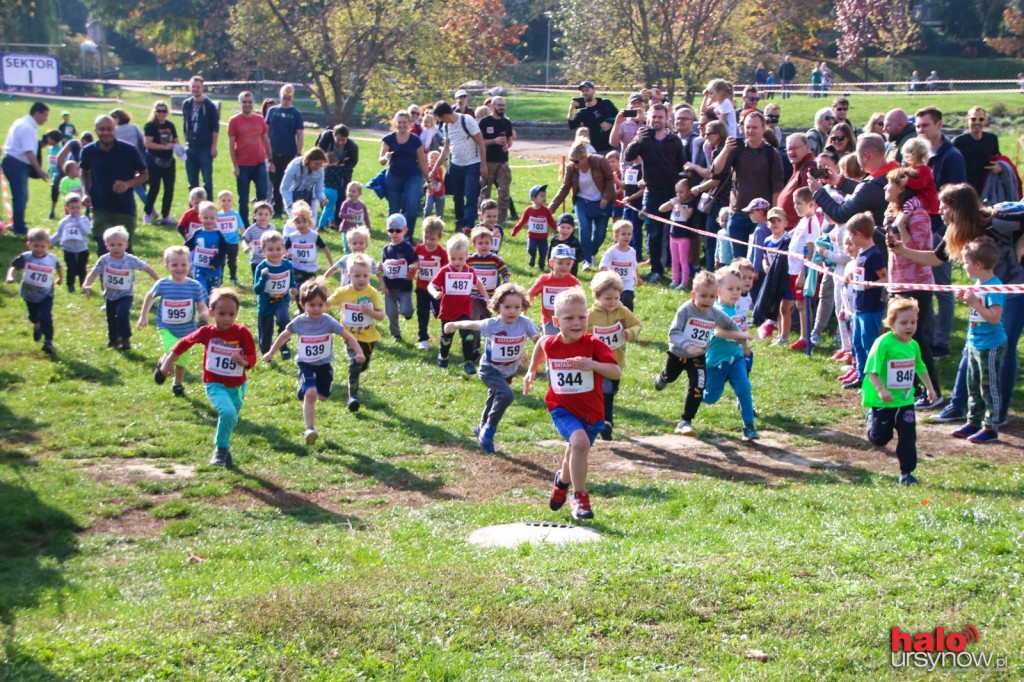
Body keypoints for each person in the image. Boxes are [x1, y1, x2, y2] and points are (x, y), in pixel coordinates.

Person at [891, 183, 1023, 428]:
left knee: (1005, 350)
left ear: (957, 208)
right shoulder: (957, 230)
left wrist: (1022, 242)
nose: (940, 211)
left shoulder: (1000, 219)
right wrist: (902, 251)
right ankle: (959, 406)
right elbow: (935, 258)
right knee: (970, 347)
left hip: (1014, 293)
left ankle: (999, 413)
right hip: (982, 292)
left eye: (944, 207)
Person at [524, 288, 620, 520]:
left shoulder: (594, 344)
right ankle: (580, 497)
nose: (577, 323)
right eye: (569, 318)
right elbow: (541, 344)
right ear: (556, 321)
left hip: (592, 412)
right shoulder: (552, 343)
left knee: (575, 449)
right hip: (561, 407)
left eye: (581, 317)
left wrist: (592, 365)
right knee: (579, 443)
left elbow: (615, 372)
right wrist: (531, 370)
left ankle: (562, 481)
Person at [160, 287, 257, 467]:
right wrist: (167, 363)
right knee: (227, 413)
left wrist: (245, 362)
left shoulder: (242, 332)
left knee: (231, 418)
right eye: (221, 313)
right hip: (215, 383)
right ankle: (220, 450)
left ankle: (224, 451)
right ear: (212, 313)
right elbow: (183, 343)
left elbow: (252, 356)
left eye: (231, 314)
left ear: (237, 313)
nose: (226, 318)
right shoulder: (207, 333)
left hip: (237, 385)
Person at [264, 277, 364, 444]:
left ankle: (305, 390)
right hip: (305, 364)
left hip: (324, 365)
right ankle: (310, 429)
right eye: (312, 305)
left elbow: (348, 337)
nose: (317, 309)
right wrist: (271, 352)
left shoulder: (328, 321)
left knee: (323, 396)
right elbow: (284, 336)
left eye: (320, 305)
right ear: (303, 305)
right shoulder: (299, 322)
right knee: (311, 394)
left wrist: (359, 353)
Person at [446, 283, 541, 452]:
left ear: (523, 307)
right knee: (506, 395)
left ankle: (480, 428)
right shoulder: (493, 324)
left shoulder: (524, 322)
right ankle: (489, 430)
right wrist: (454, 324)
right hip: (489, 369)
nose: (512, 311)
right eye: (507, 307)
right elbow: (473, 324)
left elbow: (538, 339)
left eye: (517, 307)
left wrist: (547, 345)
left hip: (508, 371)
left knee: (494, 398)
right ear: (498, 307)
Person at [653, 270, 743, 436]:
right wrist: (687, 346)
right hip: (678, 353)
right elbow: (673, 333)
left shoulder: (714, 312)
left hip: (698, 357)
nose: (707, 301)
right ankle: (663, 377)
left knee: (698, 385)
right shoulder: (684, 311)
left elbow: (730, 324)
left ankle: (685, 421)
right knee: (670, 377)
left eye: (711, 297)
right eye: (703, 296)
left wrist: (740, 337)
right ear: (694, 294)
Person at [863, 297, 937, 486]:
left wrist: (930, 388)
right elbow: (870, 370)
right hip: (884, 401)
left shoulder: (913, 345)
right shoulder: (883, 344)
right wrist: (881, 390)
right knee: (880, 439)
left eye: (913, 322)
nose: (909, 326)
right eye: (903, 323)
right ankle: (871, 418)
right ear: (891, 323)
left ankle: (906, 473)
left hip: (905, 401)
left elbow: (920, 367)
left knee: (908, 438)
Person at [883, 166, 940, 408]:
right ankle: (908, 388)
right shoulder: (893, 212)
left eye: (890, 183)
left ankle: (934, 392)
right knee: (898, 340)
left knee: (917, 341)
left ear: (903, 187)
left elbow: (923, 250)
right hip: (898, 283)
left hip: (917, 285)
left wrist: (902, 227)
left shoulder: (918, 215)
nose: (886, 187)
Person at [915, 106, 966, 359]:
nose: (921, 130)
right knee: (926, 287)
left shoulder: (952, 156)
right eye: (918, 126)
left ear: (939, 125)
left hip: (941, 230)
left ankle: (942, 343)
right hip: (922, 230)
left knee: (943, 288)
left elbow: (957, 198)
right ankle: (926, 338)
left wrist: (943, 231)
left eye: (925, 125)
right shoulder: (921, 156)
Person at [698, 112, 783, 260]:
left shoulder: (772, 154)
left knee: (758, 262)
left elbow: (776, 187)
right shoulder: (736, 148)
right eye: (747, 127)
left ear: (763, 129)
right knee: (738, 261)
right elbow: (715, 170)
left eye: (754, 127)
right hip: (737, 214)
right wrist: (726, 149)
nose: (750, 131)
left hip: (761, 217)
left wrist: (772, 216)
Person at [949, 237, 1007, 444]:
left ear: (979, 265)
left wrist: (974, 301)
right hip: (974, 341)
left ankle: (990, 426)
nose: (963, 266)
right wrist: (968, 300)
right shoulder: (978, 283)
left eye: (966, 263)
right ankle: (973, 420)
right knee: (972, 383)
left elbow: (994, 317)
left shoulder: (994, 287)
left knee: (988, 386)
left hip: (990, 344)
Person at [623, 104, 686, 282]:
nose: (657, 120)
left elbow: (682, 163)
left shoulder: (674, 140)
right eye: (654, 117)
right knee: (654, 232)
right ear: (649, 119)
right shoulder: (644, 138)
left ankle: (677, 269)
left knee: (674, 232)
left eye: (660, 117)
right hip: (652, 192)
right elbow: (628, 156)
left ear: (666, 119)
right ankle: (656, 269)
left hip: (672, 192)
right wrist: (637, 140)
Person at [138, 245, 210, 397]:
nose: (179, 268)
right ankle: (165, 363)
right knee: (172, 349)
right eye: (174, 265)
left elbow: (202, 305)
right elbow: (150, 296)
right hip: (166, 327)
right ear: (167, 266)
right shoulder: (163, 284)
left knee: (182, 361)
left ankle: (178, 384)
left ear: (190, 265)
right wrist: (143, 316)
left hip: (188, 331)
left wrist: (204, 314)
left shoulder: (194, 286)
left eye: (183, 264)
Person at [702, 267, 759, 440]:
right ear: (718, 291)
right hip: (716, 362)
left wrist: (744, 345)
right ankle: (694, 395)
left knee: (744, 388)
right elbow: (719, 332)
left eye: (738, 289)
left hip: (736, 359)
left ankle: (749, 426)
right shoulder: (716, 311)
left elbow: (738, 328)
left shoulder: (735, 310)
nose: (735, 293)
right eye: (730, 289)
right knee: (711, 397)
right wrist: (741, 336)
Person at [80, 115, 149, 255]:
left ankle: (126, 277)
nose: (105, 132)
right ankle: (105, 277)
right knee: (103, 250)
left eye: (109, 129)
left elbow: (145, 174)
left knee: (124, 252)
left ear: (115, 129)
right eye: (101, 129)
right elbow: (84, 171)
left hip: (124, 208)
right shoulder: (89, 151)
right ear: (95, 130)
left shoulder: (129, 150)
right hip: (100, 207)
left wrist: (127, 184)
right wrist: (85, 193)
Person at [324, 254, 385, 412]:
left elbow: (381, 316)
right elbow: (325, 305)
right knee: (355, 363)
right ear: (348, 276)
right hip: (350, 337)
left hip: (369, 337)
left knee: (362, 365)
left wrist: (370, 311)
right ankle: (353, 397)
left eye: (365, 276)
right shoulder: (342, 293)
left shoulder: (371, 293)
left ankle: (356, 375)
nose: (361, 279)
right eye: (357, 276)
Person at [83, 225, 160, 350]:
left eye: (120, 245)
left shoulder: (130, 260)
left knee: (122, 314)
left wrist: (158, 281)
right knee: (111, 317)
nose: (116, 248)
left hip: (126, 294)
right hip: (110, 295)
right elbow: (94, 272)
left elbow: (147, 268)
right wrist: (87, 284)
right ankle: (113, 338)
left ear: (126, 245)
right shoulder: (104, 260)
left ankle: (125, 338)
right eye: (112, 245)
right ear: (106, 246)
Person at [588, 271, 642, 440]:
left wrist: (629, 333)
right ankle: (606, 423)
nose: (612, 302)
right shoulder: (589, 315)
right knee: (606, 391)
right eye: (607, 298)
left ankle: (600, 417)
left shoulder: (622, 311)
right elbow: (581, 332)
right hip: (597, 362)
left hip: (616, 361)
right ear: (597, 296)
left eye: (616, 298)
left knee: (612, 389)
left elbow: (637, 325)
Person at [549, 140, 617, 269]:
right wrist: (550, 209)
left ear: (585, 158)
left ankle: (591, 252)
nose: (574, 164)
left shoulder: (599, 161)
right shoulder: (572, 168)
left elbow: (609, 178)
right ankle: (586, 259)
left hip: (601, 201)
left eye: (577, 161)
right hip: (582, 201)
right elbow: (565, 188)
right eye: (571, 160)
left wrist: (605, 196)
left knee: (600, 233)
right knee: (584, 227)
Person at [429, 232, 491, 370]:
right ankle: (443, 356)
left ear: (467, 256)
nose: (457, 262)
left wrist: (487, 298)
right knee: (447, 338)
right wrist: (435, 293)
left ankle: (468, 361)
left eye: (460, 259)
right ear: (448, 257)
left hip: (464, 311)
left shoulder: (470, 271)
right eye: (453, 259)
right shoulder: (445, 270)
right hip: (448, 312)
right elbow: (431, 285)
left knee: (468, 335)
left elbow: (479, 283)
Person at [810, 133, 897, 227]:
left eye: (857, 155)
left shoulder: (871, 187)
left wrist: (818, 192)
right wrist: (840, 181)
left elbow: (840, 215)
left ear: (865, 156)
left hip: (878, 239)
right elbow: (866, 194)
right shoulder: (896, 173)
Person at [843, 213, 888, 389]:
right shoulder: (861, 253)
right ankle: (862, 376)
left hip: (871, 307)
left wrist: (872, 284)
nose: (850, 240)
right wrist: (849, 275)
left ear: (859, 234)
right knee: (858, 343)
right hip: (859, 306)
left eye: (852, 236)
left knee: (869, 343)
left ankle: (875, 379)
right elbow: (859, 272)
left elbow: (886, 279)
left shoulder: (874, 254)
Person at [431, 101, 489, 232]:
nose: (441, 121)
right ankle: (459, 222)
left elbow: (480, 142)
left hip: (472, 164)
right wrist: (435, 169)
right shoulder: (446, 127)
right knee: (457, 196)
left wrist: (483, 165)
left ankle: (469, 224)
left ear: (445, 114)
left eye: (441, 118)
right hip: (456, 165)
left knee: (470, 194)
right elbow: (446, 148)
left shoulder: (466, 120)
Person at [5, 227, 62, 354]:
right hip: (29, 293)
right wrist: (10, 276)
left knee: (45, 316)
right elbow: (14, 267)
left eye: (42, 246)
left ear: (48, 245)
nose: (39, 249)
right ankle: (36, 325)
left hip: (46, 294)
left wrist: (60, 279)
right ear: (29, 245)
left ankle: (48, 341)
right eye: (36, 246)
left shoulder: (52, 258)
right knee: (33, 316)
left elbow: (58, 267)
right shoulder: (26, 257)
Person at [380, 110, 430, 238]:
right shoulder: (389, 139)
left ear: (410, 124)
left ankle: (407, 237)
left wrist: (429, 180)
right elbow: (381, 161)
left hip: (413, 176)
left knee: (412, 206)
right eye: (399, 122)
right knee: (394, 209)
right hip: (394, 175)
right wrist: (386, 157)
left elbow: (422, 161)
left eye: (405, 122)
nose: (402, 125)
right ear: (395, 123)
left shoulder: (415, 140)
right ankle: (394, 236)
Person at [2, 102, 50, 235]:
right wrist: (39, 171)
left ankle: (18, 223)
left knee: (20, 196)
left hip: (13, 161)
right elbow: (29, 152)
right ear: (37, 113)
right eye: (45, 115)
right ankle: (19, 227)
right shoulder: (27, 127)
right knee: (21, 196)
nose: (46, 119)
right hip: (17, 164)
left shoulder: (22, 122)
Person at [227, 91, 273, 226]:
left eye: (250, 102)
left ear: (253, 103)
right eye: (244, 102)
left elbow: (266, 140)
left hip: (259, 163)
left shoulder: (260, 119)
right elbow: (231, 144)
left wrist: (270, 160)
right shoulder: (234, 121)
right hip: (242, 164)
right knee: (243, 198)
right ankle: (244, 225)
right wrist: (235, 165)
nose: (247, 104)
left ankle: (259, 223)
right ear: (240, 103)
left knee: (262, 195)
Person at [253, 229, 298, 357]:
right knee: (266, 332)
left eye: (278, 249)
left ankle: (283, 344)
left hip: (282, 301)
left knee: (284, 320)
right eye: (270, 249)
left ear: (284, 249)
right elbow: (257, 290)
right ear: (263, 250)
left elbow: (291, 281)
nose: (275, 253)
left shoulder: (287, 265)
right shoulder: (261, 267)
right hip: (265, 304)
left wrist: (294, 288)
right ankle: (266, 354)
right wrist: (263, 277)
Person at [379, 213, 419, 343]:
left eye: (398, 230)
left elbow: (416, 262)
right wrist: (381, 270)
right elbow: (384, 266)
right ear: (387, 231)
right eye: (391, 230)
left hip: (404, 286)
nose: (394, 233)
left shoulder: (408, 248)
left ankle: (408, 313)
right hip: (390, 286)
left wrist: (413, 266)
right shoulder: (386, 249)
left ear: (405, 231)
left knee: (406, 310)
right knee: (391, 313)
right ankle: (396, 334)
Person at [266, 84, 304, 218]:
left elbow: (299, 135)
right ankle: (277, 210)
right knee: (275, 182)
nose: (286, 97)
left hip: (289, 153)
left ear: (293, 97)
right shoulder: (272, 111)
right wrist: (267, 153)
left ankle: (291, 208)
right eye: (285, 94)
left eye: (289, 95)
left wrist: (298, 154)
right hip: (273, 152)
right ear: (280, 94)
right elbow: (266, 132)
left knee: (288, 183)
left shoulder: (296, 114)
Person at [529, 244, 581, 336]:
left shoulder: (573, 281)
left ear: (572, 263)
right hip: (549, 320)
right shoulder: (544, 280)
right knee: (552, 342)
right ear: (551, 263)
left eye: (568, 263)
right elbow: (531, 293)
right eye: (560, 263)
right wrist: (525, 308)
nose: (564, 266)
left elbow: (580, 300)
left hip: (568, 319)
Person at [181, 76, 219, 200]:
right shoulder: (186, 104)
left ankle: (209, 208)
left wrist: (213, 147)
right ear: (189, 87)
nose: (195, 89)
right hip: (191, 146)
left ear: (203, 87)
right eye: (193, 87)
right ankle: (193, 210)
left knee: (207, 182)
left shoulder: (209, 105)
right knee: (192, 182)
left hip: (205, 148)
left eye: (198, 87)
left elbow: (215, 128)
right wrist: (185, 143)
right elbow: (185, 124)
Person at [413, 217, 448, 350]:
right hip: (421, 287)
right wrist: (414, 265)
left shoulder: (442, 253)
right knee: (422, 312)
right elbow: (414, 259)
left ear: (439, 238)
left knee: (441, 312)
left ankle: (445, 336)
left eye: (432, 239)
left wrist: (443, 289)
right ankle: (423, 337)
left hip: (437, 290)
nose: (428, 241)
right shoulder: (419, 249)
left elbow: (446, 270)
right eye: (425, 237)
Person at [142, 101, 179, 226]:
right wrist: (164, 147)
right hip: (154, 161)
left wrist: (177, 148)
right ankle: (148, 213)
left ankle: (166, 215)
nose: (161, 113)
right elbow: (148, 144)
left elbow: (176, 141)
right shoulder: (150, 126)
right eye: (158, 111)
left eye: (164, 111)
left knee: (169, 189)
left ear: (167, 112)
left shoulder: (170, 125)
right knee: (154, 188)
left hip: (169, 161)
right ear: (155, 112)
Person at [479, 96, 515, 223]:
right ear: (492, 106)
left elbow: (510, 139)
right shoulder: (484, 122)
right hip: (488, 161)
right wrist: (493, 141)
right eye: (499, 105)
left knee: (504, 191)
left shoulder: (506, 122)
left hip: (503, 161)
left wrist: (508, 145)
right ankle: (483, 217)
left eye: (503, 105)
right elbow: (479, 141)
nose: (502, 107)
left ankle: (502, 219)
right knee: (485, 191)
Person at [284, 201, 332, 293]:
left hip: (311, 269)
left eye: (304, 222)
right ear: (294, 223)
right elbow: (284, 248)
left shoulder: (314, 236)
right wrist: (286, 254)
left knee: (310, 291)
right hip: (296, 267)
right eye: (298, 222)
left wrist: (331, 263)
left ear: (309, 222)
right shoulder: (292, 237)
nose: (301, 225)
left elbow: (324, 248)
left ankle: (306, 305)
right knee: (298, 290)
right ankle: (301, 306)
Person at [953, 107, 1001, 196]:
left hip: (986, 186)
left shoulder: (992, 139)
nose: (977, 122)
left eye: (981, 119)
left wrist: (1000, 167)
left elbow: (999, 159)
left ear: (985, 121)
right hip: (966, 187)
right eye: (973, 119)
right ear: (967, 120)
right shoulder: (958, 142)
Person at [659, 178, 697, 289]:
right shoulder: (674, 202)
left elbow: (686, 216)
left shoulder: (690, 204)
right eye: (677, 192)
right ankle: (674, 279)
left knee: (683, 260)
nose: (679, 194)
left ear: (688, 191)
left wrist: (679, 205)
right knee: (674, 259)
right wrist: (671, 202)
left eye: (681, 192)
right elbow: (661, 209)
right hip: (673, 234)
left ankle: (684, 281)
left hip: (684, 236)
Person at [186, 201, 229, 295]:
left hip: (214, 270)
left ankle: (212, 308)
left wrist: (216, 261)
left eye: (212, 218)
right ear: (200, 218)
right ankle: (202, 307)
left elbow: (224, 250)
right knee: (201, 288)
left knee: (214, 293)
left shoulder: (218, 234)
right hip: (199, 268)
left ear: (217, 218)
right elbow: (188, 246)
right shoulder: (198, 233)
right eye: (205, 218)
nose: (209, 220)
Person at [51, 193, 91, 293]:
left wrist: (79, 221)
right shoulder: (64, 222)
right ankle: (70, 285)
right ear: (67, 208)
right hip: (68, 249)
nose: (75, 210)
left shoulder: (84, 220)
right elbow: (59, 234)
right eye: (72, 208)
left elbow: (87, 231)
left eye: (78, 207)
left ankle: (84, 284)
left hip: (82, 249)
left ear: (81, 207)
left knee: (82, 268)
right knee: (71, 268)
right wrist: (49, 242)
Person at [110, 108, 149, 209]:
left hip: (121, 163)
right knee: (138, 187)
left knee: (132, 188)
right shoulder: (134, 127)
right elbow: (143, 141)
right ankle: (150, 208)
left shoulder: (115, 131)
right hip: (137, 160)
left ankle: (150, 208)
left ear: (118, 118)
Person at [777, 133, 817, 229]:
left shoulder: (809, 168)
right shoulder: (800, 168)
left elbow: (810, 205)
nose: (791, 152)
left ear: (807, 147)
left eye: (795, 148)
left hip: (797, 231)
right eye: (789, 149)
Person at [598, 220, 641, 311]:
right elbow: (603, 264)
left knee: (627, 300)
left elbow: (634, 266)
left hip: (627, 283)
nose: (627, 236)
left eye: (629, 234)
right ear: (616, 236)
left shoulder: (632, 251)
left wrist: (637, 277)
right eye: (623, 234)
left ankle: (628, 319)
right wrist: (609, 273)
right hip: (614, 283)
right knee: (615, 302)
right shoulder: (612, 251)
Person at [512, 184, 557, 270]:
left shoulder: (546, 211)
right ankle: (532, 257)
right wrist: (515, 230)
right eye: (542, 196)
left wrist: (557, 229)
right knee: (531, 249)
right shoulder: (529, 210)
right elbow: (522, 221)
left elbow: (551, 221)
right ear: (534, 198)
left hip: (543, 237)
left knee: (543, 252)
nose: (544, 198)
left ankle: (541, 265)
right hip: (532, 236)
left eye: (545, 196)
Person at [568, 80, 618, 153]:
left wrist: (610, 122)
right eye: (582, 91)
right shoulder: (582, 111)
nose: (585, 93)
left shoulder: (605, 103)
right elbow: (572, 125)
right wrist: (571, 110)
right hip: (596, 148)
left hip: (612, 145)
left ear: (594, 91)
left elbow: (619, 116)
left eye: (587, 90)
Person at [280, 148, 328, 223]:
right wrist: (290, 204)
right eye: (316, 164)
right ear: (308, 160)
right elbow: (284, 188)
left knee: (310, 224)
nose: (319, 167)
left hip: (308, 196)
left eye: (321, 164)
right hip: (292, 195)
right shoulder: (295, 165)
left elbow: (318, 190)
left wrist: (323, 198)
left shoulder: (320, 170)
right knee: (296, 223)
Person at [216, 190, 244, 286]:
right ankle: (220, 279)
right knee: (221, 262)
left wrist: (245, 239)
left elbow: (241, 227)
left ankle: (233, 276)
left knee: (232, 261)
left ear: (232, 202)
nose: (226, 203)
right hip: (221, 243)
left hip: (233, 242)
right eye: (223, 200)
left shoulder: (235, 214)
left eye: (229, 200)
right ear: (219, 202)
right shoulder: (217, 215)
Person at [335, 181, 371, 253]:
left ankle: (358, 259)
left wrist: (368, 227)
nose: (350, 193)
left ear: (359, 193)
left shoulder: (362, 205)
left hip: (357, 230)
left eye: (353, 191)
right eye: (349, 191)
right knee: (347, 246)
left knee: (358, 246)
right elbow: (341, 214)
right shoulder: (346, 203)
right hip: (346, 228)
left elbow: (366, 217)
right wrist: (350, 215)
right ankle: (348, 258)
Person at [241, 200, 274, 277]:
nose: (263, 216)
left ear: (270, 216)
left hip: (270, 260)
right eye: (260, 214)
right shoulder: (252, 229)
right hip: (256, 261)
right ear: (254, 215)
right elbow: (245, 240)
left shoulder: (272, 228)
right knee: (257, 280)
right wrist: (245, 247)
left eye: (266, 214)